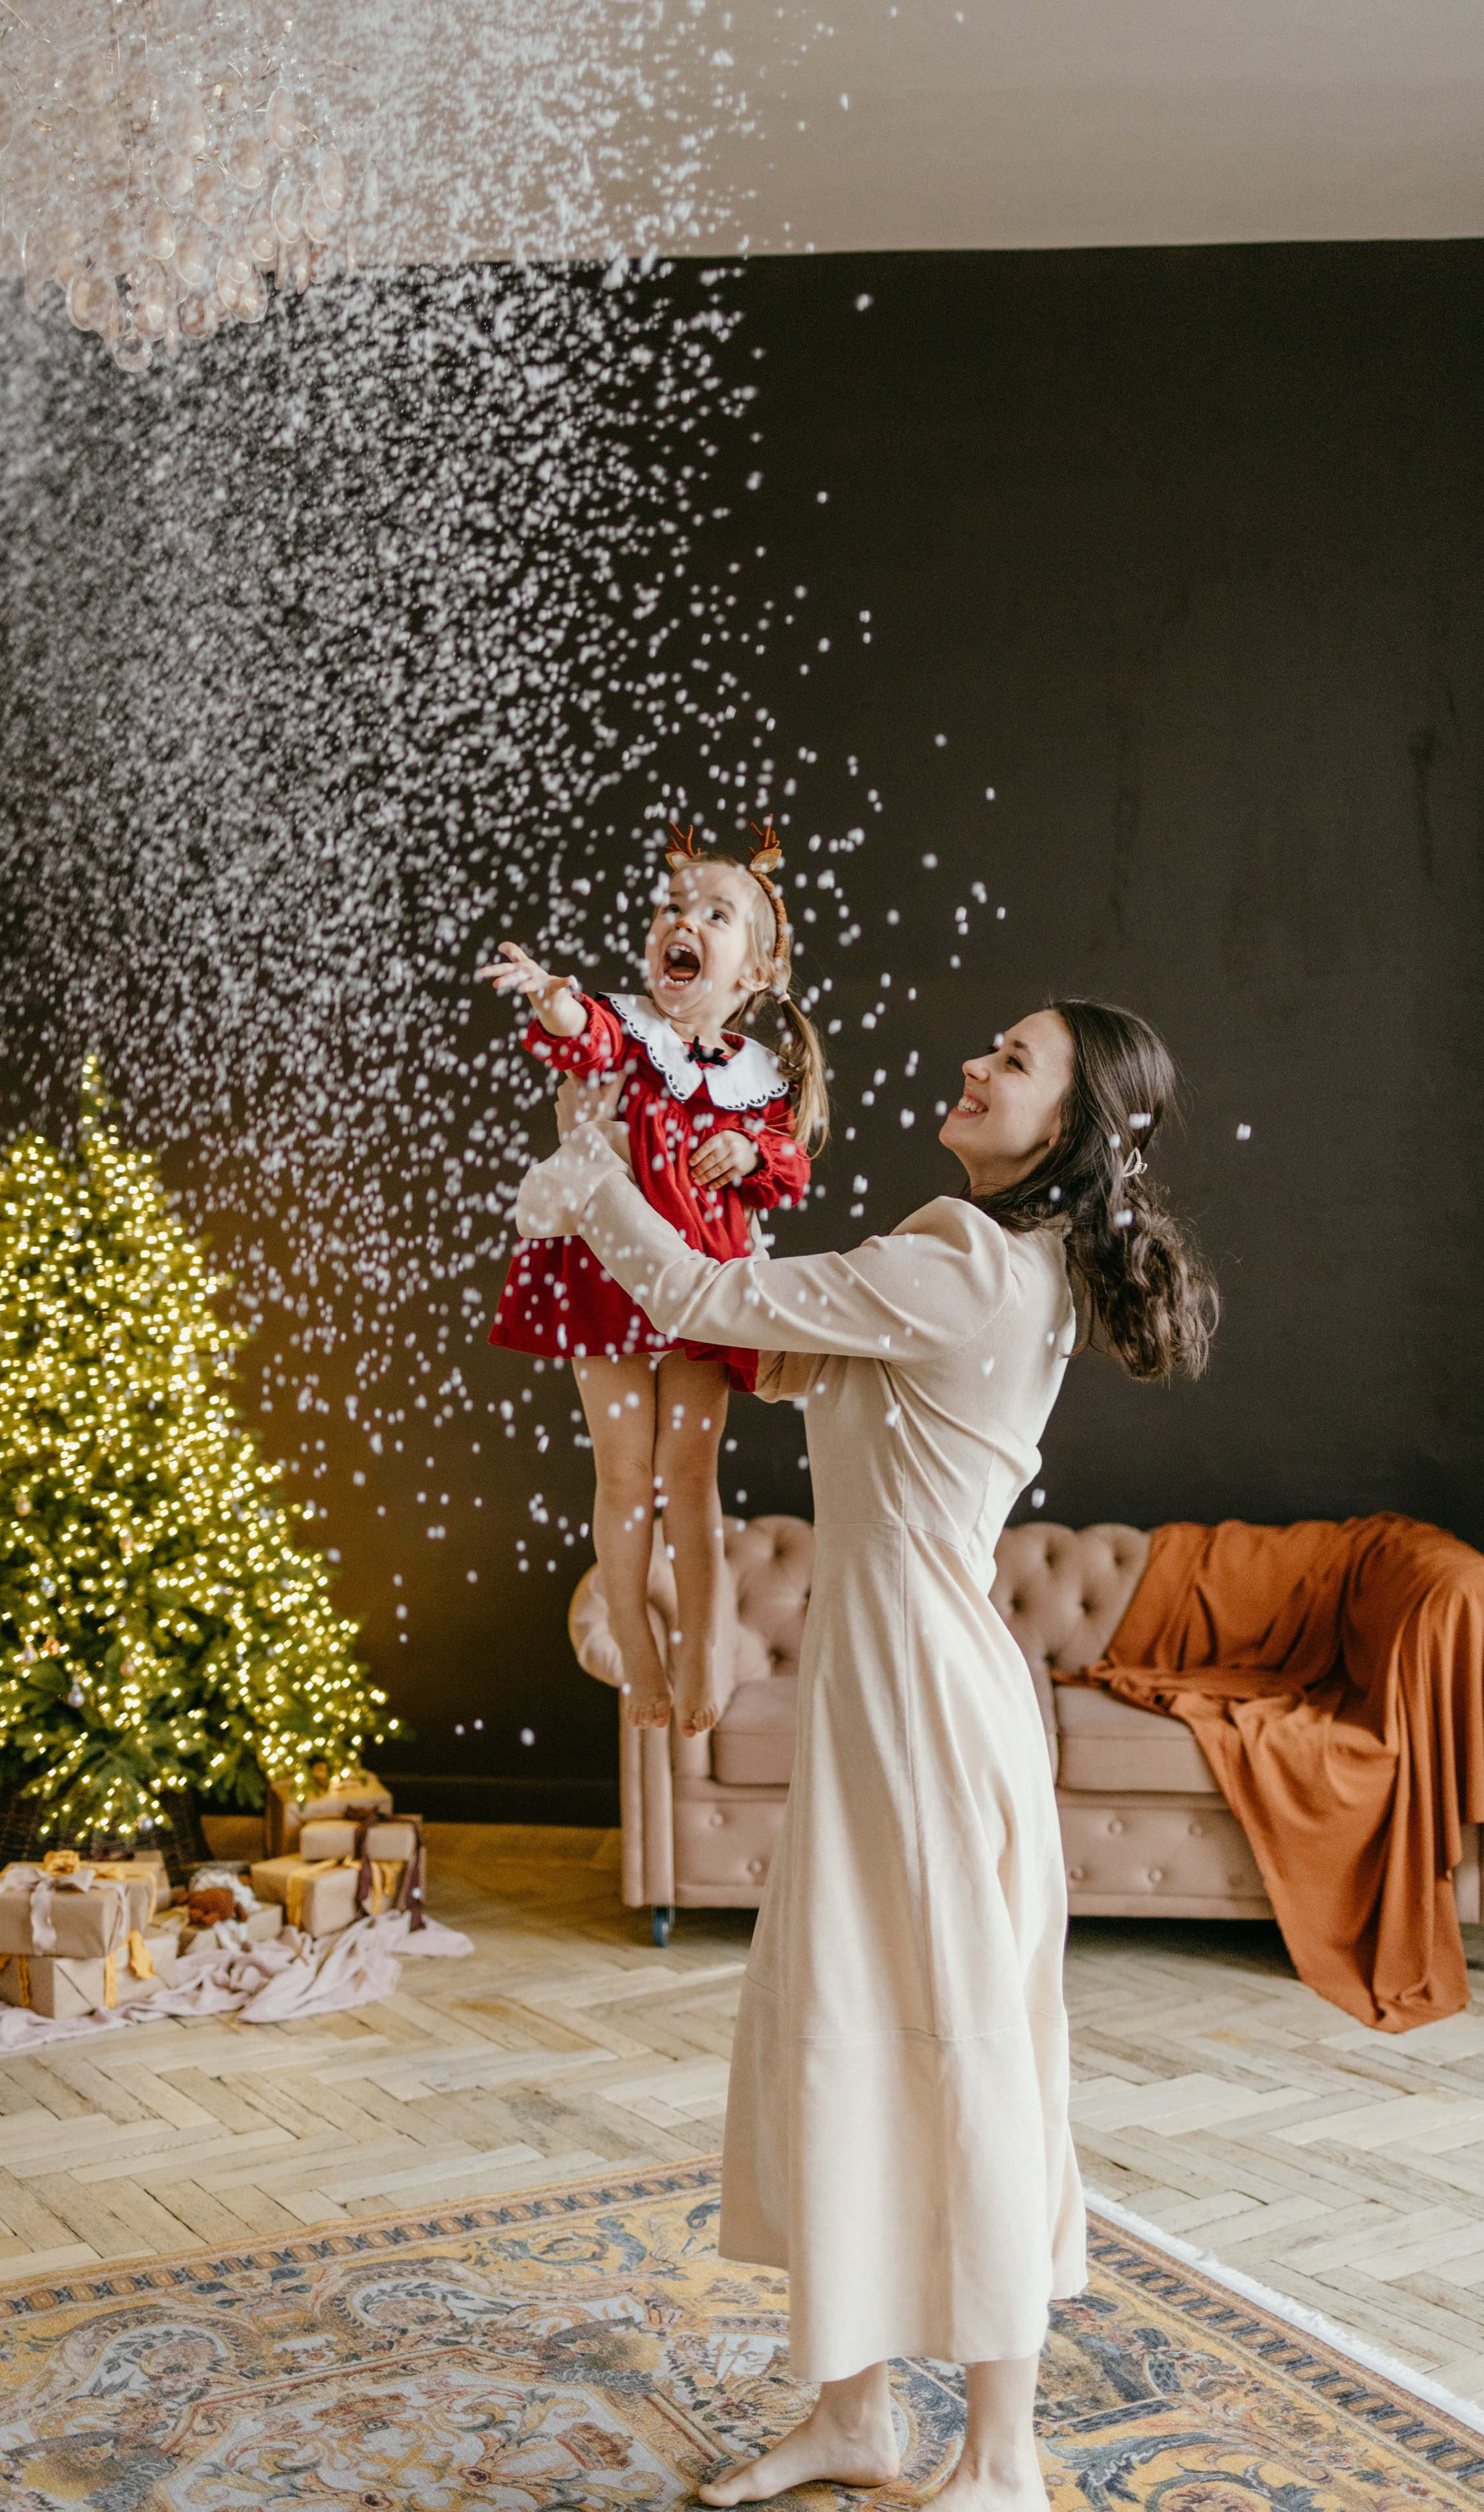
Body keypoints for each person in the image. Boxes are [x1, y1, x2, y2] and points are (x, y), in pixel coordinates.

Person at [515, 997, 1218, 2509]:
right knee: (836, 2026)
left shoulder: (963, 1263)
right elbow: (767, 1351)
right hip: (889, 1690)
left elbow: (703, 1289)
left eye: (1013, 1061)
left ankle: (1003, 2459)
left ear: (1069, 1127)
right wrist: (692, 1183)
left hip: (918, 1704)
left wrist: (593, 1171)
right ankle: (853, 2415)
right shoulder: (971, 1260)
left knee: (958, 2050)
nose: (976, 1063)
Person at [479, 826, 828, 1736]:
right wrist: (552, 995)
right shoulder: (628, 1033)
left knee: (691, 1473)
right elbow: (580, 1035)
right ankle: (635, 1642)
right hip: (608, 1279)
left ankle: (704, 1639)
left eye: (716, 913)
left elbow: (789, 1167)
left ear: (752, 976)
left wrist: (749, 1145)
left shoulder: (757, 1079)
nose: (686, 921)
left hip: (704, 1287)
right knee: (626, 1475)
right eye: (674, 906)